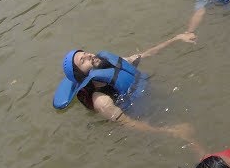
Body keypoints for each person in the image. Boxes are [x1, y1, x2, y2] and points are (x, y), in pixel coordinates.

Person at [53, 33, 197, 144]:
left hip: (153, 96)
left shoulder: (110, 63)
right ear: (82, 75)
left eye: (85, 53)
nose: (89, 55)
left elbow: (146, 54)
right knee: (192, 140)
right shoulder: (101, 100)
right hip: (146, 118)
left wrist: (176, 38)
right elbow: (130, 124)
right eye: (82, 61)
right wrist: (171, 131)